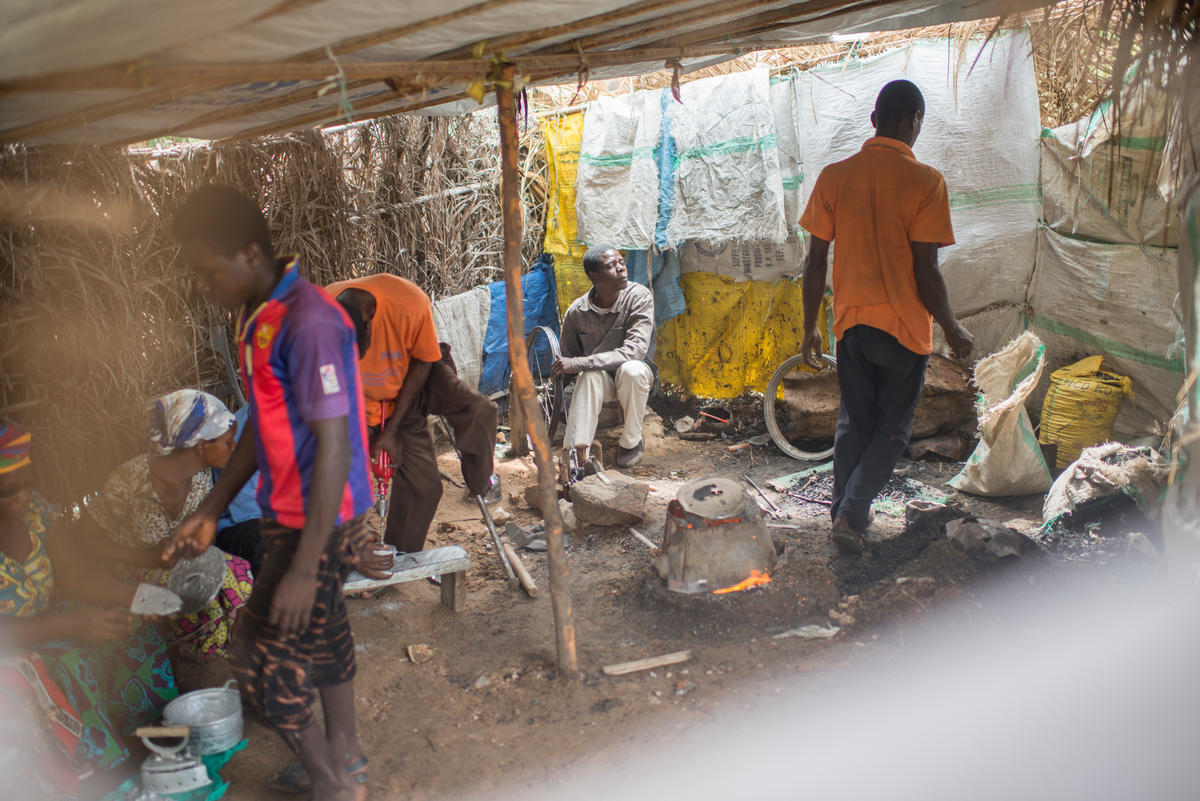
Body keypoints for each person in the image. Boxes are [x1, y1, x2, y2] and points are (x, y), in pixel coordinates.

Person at [167, 184, 372, 801]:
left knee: (255, 655)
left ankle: (334, 784)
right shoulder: (260, 319)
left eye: (208, 271)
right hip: (293, 516)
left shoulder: (308, 323)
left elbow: (334, 445)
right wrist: (208, 507)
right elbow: (261, 419)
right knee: (326, 631)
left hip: (319, 521)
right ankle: (346, 757)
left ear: (249, 254)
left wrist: (308, 564)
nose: (203, 286)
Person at [797, 79, 974, 557]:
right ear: (913, 120)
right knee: (892, 430)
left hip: (850, 325)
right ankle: (852, 514)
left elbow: (814, 264)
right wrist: (954, 330)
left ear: (874, 120)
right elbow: (925, 271)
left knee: (855, 423)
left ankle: (843, 514)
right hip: (902, 331)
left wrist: (811, 324)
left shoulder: (835, 177)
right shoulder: (926, 182)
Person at [0, 424, 178, 800]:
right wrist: (70, 623)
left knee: (129, 627)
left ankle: (147, 735)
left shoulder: (37, 515)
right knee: (63, 662)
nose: (25, 495)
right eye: (9, 490)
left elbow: (77, 575)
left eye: (28, 482)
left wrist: (134, 595)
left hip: (45, 618)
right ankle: (102, 774)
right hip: (10, 645)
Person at [326, 273, 499, 555]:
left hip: (405, 398)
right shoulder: (317, 312)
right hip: (351, 406)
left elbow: (423, 362)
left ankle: (400, 557)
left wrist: (391, 432)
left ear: (369, 321)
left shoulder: (408, 302)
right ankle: (350, 553)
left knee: (426, 486)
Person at [80, 389, 254, 661]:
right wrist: (147, 557)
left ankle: (244, 650)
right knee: (209, 597)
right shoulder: (129, 479)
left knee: (235, 569)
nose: (234, 448)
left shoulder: (201, 480)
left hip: (173, 567)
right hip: (125, 576)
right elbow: (86, 541)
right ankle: (219, 659)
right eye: (228, 441)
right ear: (201, 445)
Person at [552, 245, 656, 468]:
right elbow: (567, 359)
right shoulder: (577, 312)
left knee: (632, 369)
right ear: (594, 276)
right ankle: (576, 455)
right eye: (611, 266)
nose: (621, 269)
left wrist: (577, 363)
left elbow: (634, 351)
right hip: (602, 382)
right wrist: (553, 396)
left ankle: (631, 441)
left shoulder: (638, 297)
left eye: (621, 262)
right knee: (589, 376)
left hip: (635, 377)